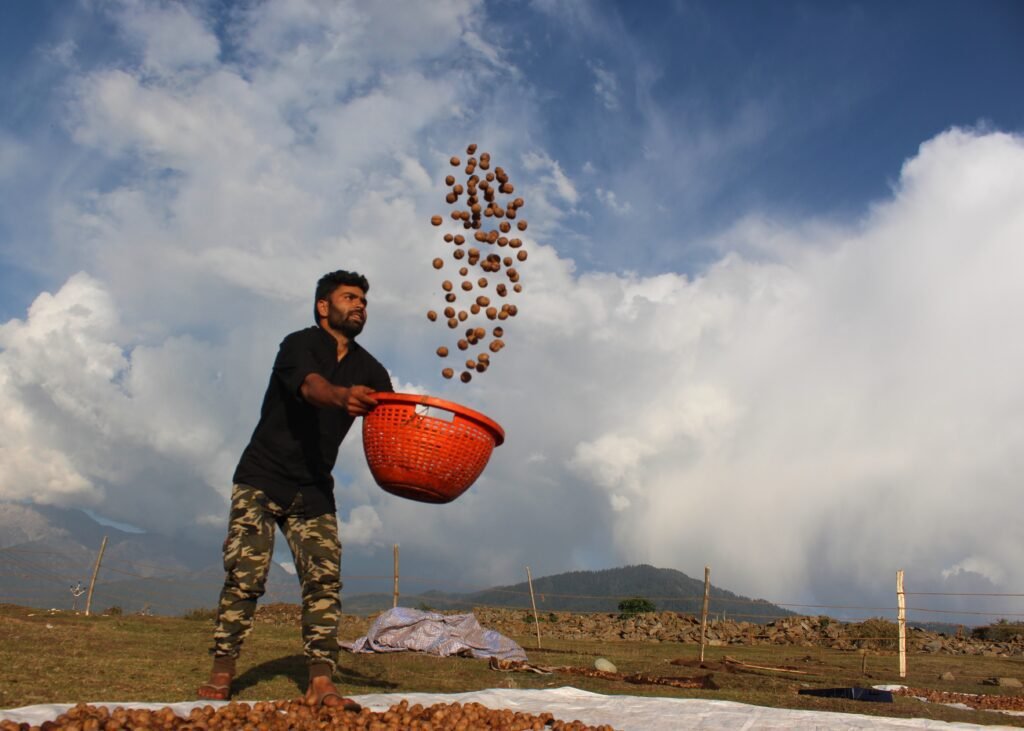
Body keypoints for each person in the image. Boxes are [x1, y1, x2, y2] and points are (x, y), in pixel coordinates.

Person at [197, 270, 393, 709]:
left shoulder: (371, 368)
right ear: (324, 306)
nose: (359, 305)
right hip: (261, 478)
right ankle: (223, 668)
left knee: (324, 582)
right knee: (246, 578)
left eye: (363, 299)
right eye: (349, 297)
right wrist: (342, 397)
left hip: (314, 488)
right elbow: (311, 387)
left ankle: (321, 680)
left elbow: (393, 418)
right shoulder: (297, 344)